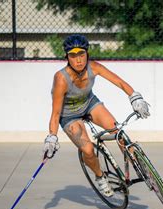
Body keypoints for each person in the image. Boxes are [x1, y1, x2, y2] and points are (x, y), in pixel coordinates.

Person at [43, 34, 151, 197]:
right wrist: (52, 137)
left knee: (118, 132)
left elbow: (120, 82)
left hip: (90, 104)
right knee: (87, 150)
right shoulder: (61, 79)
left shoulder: (94, 67)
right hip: (70, 116)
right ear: (67, 57)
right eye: (73, 56)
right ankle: (100, 177)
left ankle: (139, 166)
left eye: (81, 54)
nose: (78, 60)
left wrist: (135, 97)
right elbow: (56, 112)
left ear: (87, 54)